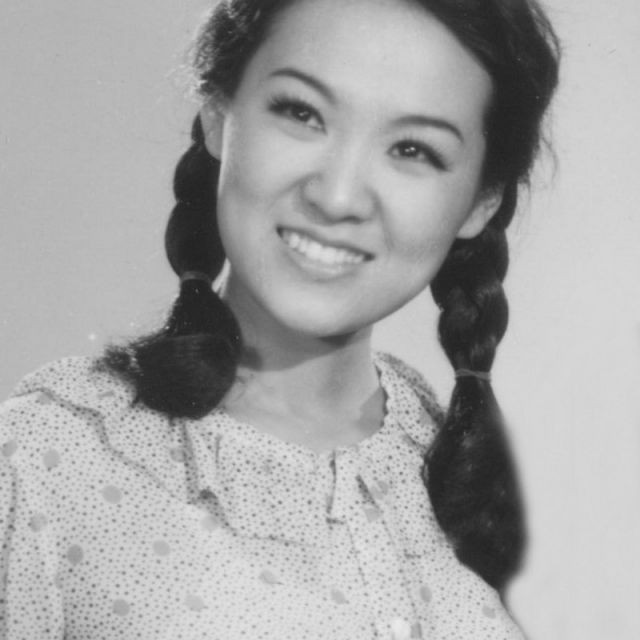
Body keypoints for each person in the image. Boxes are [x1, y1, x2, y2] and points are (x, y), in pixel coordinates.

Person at [0, 0, 559, 637]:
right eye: (301, 113)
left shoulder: (457, 467)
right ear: (218, 113)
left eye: (412, 149)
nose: (337, 196)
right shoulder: (51, 456)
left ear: (482, 201)